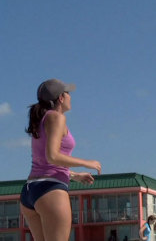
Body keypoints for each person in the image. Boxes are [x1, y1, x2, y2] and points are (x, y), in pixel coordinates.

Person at [20, 79, 102, 241]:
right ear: (61, 98)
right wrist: (87, 162)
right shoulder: (57, 118)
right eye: (68, 93)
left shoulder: (42, 119)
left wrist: (73, 175)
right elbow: (53, 156)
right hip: (50, 191)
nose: (71, 97)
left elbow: (44, 161)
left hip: (30, 191)